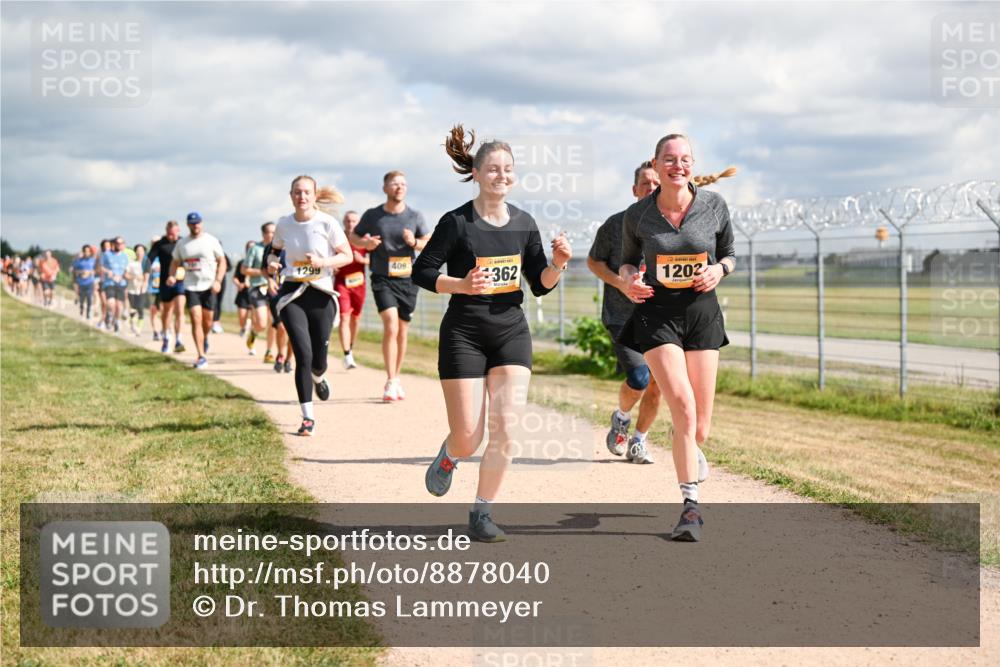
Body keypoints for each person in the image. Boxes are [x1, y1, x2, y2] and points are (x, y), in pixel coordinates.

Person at [415, 125, 572, 542]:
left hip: (510, 333)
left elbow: (539, 284)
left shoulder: (524, 223)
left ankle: (482, 512)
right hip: (463, 333)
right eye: (493, 169)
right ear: (477, 174)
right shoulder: (457, 222)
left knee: (506, 430)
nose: (501, 175)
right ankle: (450, 455)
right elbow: (422, 271)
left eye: (508, 169)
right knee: (469, 437)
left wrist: (557, 264)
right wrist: (461, 285)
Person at [619, 133, 736, 542]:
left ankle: (688, 446)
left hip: (702, 315)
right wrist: (629, 280)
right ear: (656, 164)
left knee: (699, 428)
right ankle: (691, 507)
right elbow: (626, 264)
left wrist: (718, 270)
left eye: (685, 159)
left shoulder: (714, 206)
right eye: (669, 159)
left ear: (692, 164)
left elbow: (730, 255)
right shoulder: (638, 215)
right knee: (682, 406)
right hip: (657, 316)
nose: (678, 165)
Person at [265, 175, 352, 435]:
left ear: (314, 196)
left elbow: (346, 256)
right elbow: (273, 251)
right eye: (297, 192)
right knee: (303, 354)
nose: (301, 197)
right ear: (290, 195)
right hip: (292, 293)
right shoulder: (284, 224)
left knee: (318, 360)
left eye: (306, 192)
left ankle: (319, 376)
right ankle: (307, 417)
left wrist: (323, 262)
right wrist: (272, 263)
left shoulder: (327, 223)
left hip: (321, 293)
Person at [349, 171, 430, 401]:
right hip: (382, 277)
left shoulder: (415, 216)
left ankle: (396, 378)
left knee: (402, 330)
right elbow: (354, 237)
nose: (399, 187)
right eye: (394, 183)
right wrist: (366, 243)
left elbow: (427, 243)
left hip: (408, 280)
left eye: (403, 183)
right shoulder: (373, 215)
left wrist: (414, 242)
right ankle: (390, 380)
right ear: (385, 188)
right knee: (391, 325)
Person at [168, 212, 225, 369]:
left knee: (208, 321)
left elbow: (222, 261)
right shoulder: (182, 244)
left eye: (198, 223)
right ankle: (201, 356)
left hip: (209, 285)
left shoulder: (211, 241)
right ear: (188, 225)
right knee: (195, 317)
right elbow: (174, 262)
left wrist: (218, 281)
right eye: (192, 223)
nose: (195, 226)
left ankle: (204, 338)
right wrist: (172, 275)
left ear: (202, 223)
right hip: (191, 286)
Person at [334, 210, 369, 369]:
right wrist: (333, 266)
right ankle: (347, 354)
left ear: (359, 223)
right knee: (344, 317)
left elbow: (376, 259)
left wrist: (363, 260)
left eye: (354, 221)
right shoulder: (337, 238)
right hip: (341, 283)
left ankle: (350, 346)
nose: (351, 224)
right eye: (348, 221)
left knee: (356, 319)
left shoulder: (364, 240)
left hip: (359, 284)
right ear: (344, 222)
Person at [148, 223, 186, 352]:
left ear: (178, 231)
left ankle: (179, 340)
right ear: (166, 231)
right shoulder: (160, 244)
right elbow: (149, 259)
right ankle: (166, 337)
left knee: (180, 309)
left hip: (180, 281)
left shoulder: (183, 242)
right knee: (167, 311)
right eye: (169, 233)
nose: (171, 236)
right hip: (165, 282)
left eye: (173, 233)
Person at [242, 222, 277, 360]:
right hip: (258, 287)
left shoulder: (280, 248)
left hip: (274, 288)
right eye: (270, 232)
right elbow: (244, 269)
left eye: (275, 232)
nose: (273, 235)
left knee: (273, 321)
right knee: (262, 323)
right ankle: (254, 332)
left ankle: (269, 352)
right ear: (263, 234)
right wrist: (263, 272)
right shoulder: (255, 249)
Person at [100, 237, 130, 332]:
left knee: (119, 305)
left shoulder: (125, 256)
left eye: (122, 243)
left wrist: (124, 276)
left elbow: (127, 270)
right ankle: (109, 314)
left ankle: (116, 321)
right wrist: (108, 272)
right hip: (110, 282)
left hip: (121, 283)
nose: (120, 245)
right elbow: (101, 267)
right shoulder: (107, 254)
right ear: (114, 244)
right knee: (111, 303)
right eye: (118, 243)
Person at [125, 244, 149, 336]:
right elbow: (126, 275)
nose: (139, 253)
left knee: (140, 308)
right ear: (135, 252)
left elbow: (147, 277)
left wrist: (144, 284)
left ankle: (139, 328)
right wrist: (134, 277)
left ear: (144, 252)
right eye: (138, 251)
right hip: (131, 289)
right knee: (133, 308)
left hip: (142, 289)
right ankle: (133, 324)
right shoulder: (131, 264)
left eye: (141, 251)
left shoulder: (146, 263)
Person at [233, 241, 253, 336]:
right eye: (249, 248)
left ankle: (252, 336)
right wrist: (239, 284)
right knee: (242, 317)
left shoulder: (259, 263)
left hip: (255, 292)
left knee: (256, 317)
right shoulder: (241, 263)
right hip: (243, 293)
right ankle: (244, 326)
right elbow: (235, 277)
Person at [72, 245, 97, 319]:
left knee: (89, 298)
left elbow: (96, 270)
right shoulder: (78, 261)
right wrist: (81, 272)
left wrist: (90, 272)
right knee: (82, 299)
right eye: (85, 251)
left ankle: (88, 313)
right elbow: (74, 271)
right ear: (83, 252)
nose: (87, 253)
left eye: (88, 251)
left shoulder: (93, 260)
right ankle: (81, 309)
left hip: (90, 282)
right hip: (81, 283)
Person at [145, 236, 162, 341]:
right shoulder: (149, 257)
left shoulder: (165, 255)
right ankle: (156, 331)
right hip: (152, 288)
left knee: (164, 310)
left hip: (163, 288)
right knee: (153, 310)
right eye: (154, 243)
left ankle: (164, 329)